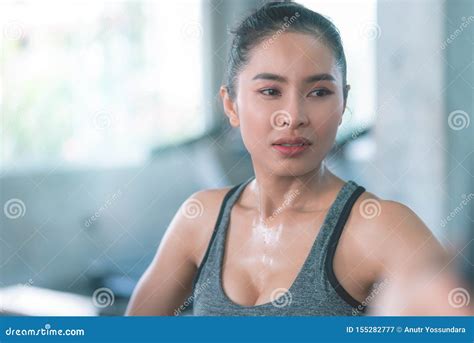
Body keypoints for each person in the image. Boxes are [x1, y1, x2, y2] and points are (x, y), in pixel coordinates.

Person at [125, 1, 447, 316]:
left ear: (343, 102)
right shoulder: (200, 220)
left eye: (319, 92)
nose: (293, 117)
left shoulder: (380, 226)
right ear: (231, 105)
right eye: (270, 91)